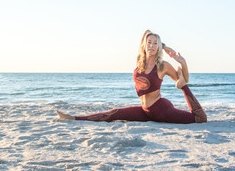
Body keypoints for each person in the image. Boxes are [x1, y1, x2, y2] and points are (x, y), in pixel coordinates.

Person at [57, 30, 207, 124]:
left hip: (161, 110)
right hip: (145, 111)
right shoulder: (139, 62)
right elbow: (146, 34)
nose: (152, 45)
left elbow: (184, 79)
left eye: (156, 43)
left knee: (200, 119)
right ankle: (74, 118)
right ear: (144, 45)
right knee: (115, 113)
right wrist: (163, 44)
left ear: (158, 47)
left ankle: (183, 90)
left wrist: (183, 63)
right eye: (149, 42)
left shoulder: (162, 65)